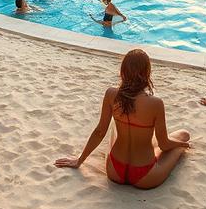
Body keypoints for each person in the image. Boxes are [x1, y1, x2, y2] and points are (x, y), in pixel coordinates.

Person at [55, 49, 190, 187]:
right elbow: (164, 144)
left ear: (123, 71)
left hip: (114, 171)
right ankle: (182, 146)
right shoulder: (156, 103)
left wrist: (79, 160)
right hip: (145, 175)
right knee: (184, 135)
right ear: (147, 73)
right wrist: (182, 144)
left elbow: (100, 132)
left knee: (115, 124)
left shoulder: (111, 94)